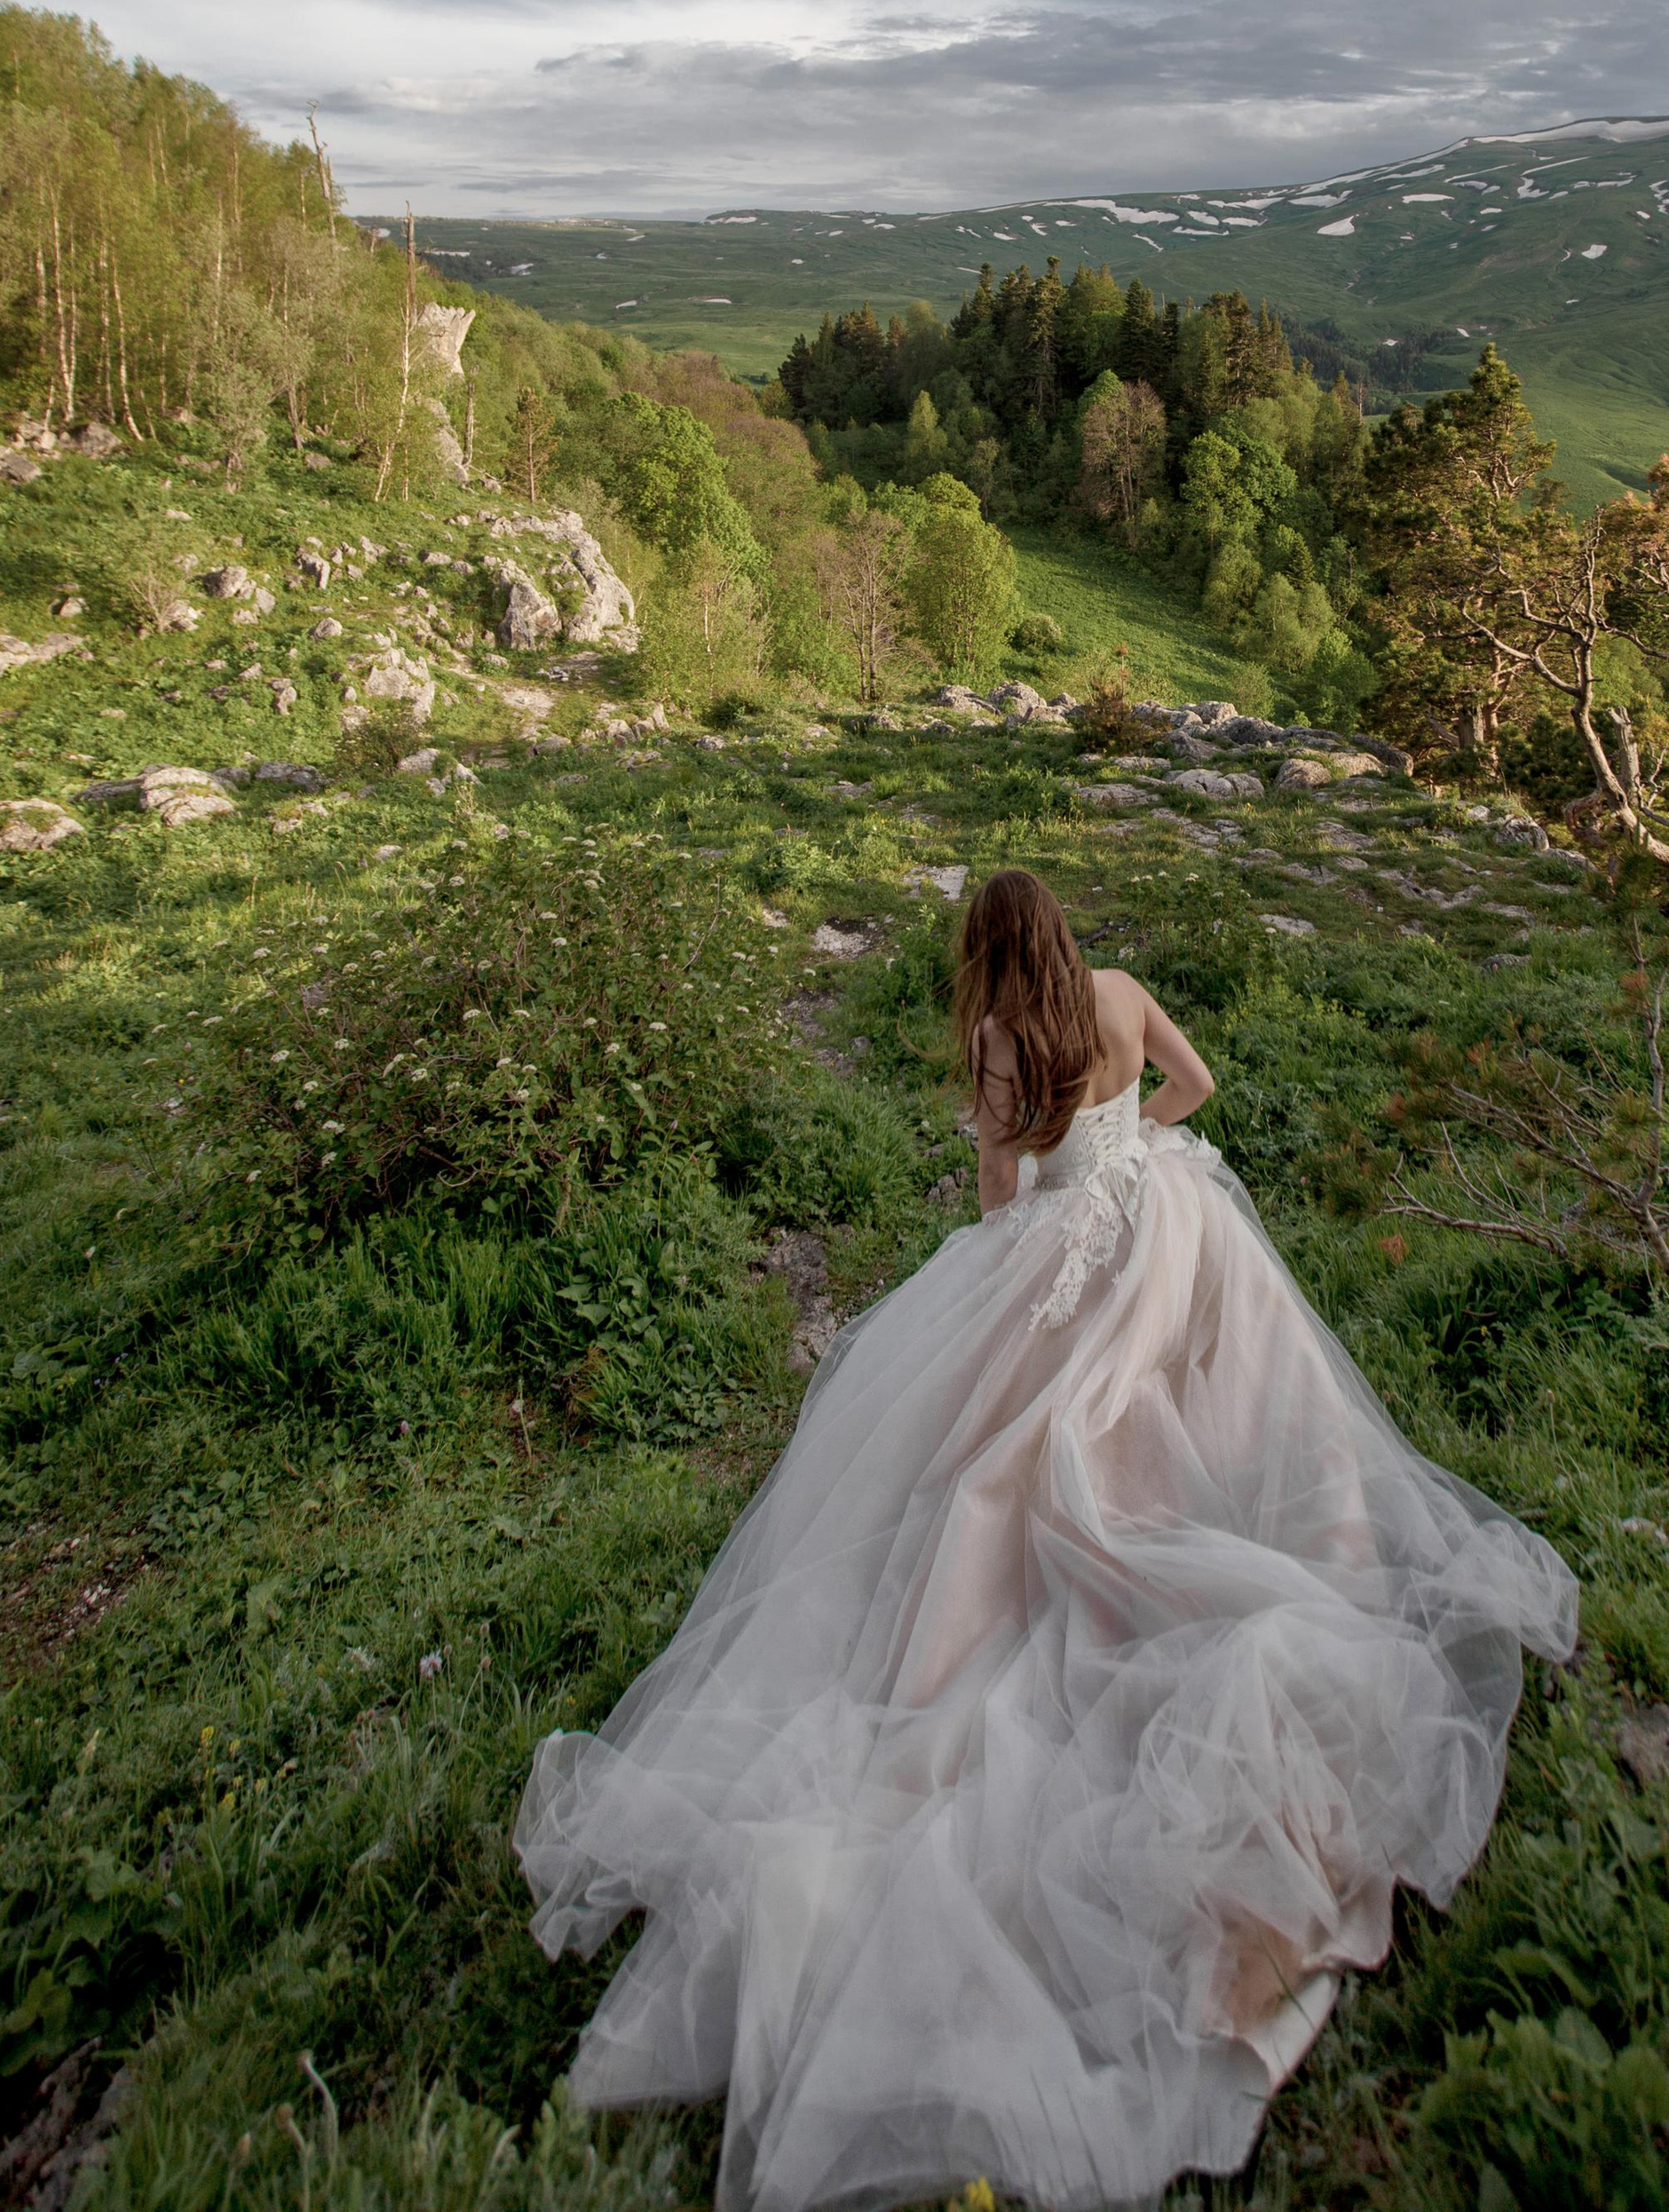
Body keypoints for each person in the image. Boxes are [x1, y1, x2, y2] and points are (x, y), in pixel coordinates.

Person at [518, 866, 1576, 2212]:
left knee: (998, 1451)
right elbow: (1198, 1091)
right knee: (1219, 1389)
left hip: (1072, 1247)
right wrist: (1143, 1162)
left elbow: (999, 1201)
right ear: (1065, 937)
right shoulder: (1124, 998)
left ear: (986, 955)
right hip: (1171, 1231)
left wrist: (1031, 1265)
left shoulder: (999, 1045)